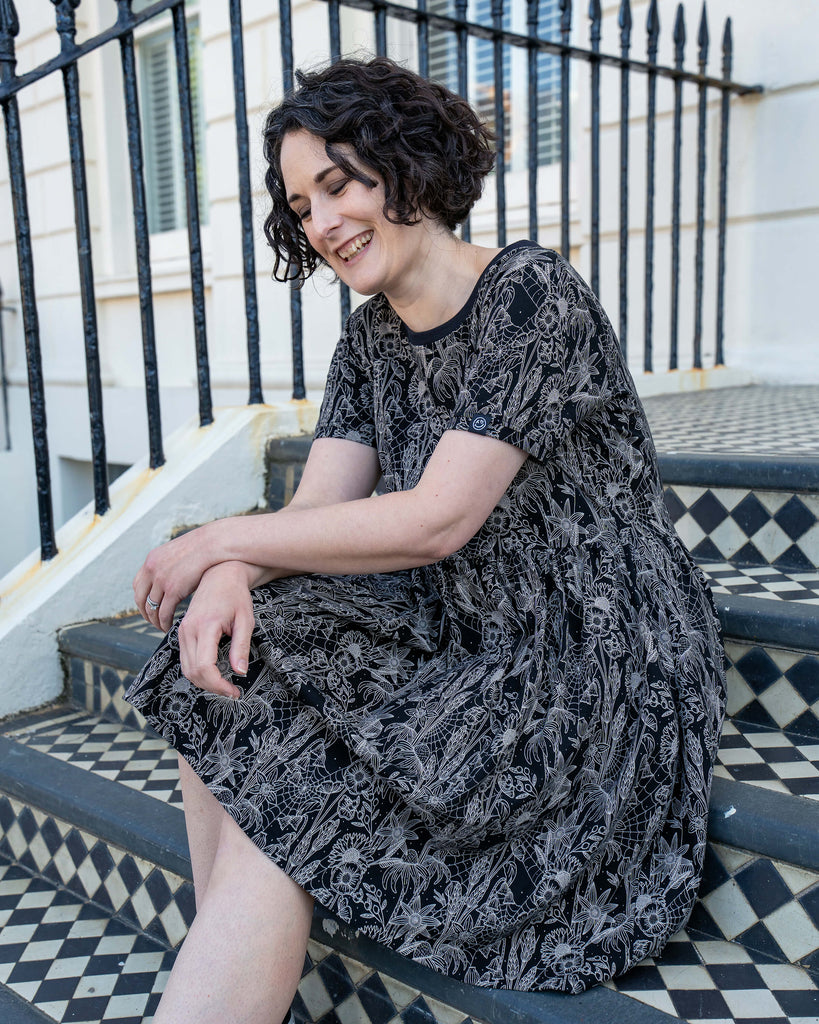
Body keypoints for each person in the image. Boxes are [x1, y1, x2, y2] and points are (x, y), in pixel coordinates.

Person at [128, 56, 726, 1023]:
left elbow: (439, 518)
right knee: (231, 647)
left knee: (271, 743)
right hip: (462, 617)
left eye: (340, 183)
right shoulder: (370, 340)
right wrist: (232, 567)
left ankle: (227, 975)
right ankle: (232, 965)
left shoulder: (533, 295)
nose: (322, 222)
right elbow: (320, 512)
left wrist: (216, 541)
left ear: (409, 166)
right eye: (300, 202)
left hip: (588, 647)